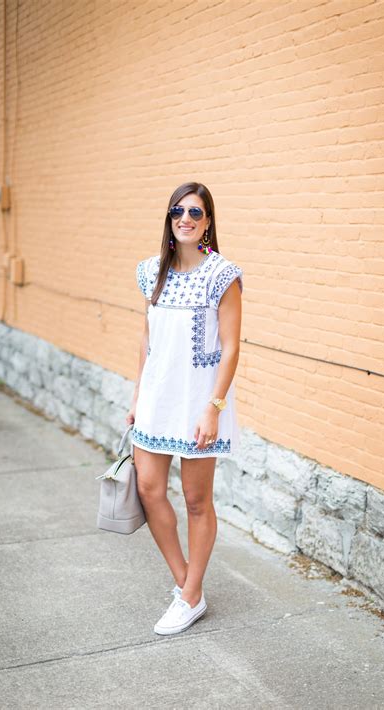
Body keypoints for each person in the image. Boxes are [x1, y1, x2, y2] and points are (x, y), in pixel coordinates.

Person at [126, 181, 243, 635]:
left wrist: (214, 408)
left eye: (195, 212)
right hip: (156, 399)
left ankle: (190, 595)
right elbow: (147, 339)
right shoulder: (151, 271)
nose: (186, 219)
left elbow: (231, 347)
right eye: (178, 211)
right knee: (149, 490)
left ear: (208, 221)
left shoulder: (222, 275)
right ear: (169, 219)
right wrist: (137, 397)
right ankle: (186, 584)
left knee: (196, 500)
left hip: (198, 403)